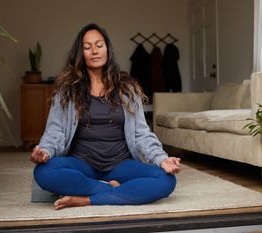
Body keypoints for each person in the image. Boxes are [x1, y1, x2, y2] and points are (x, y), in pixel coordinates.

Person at [30, 23, 181, 210]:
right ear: (80, 54)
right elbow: (56, 130)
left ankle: (87, 198)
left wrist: (161, 158)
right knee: (43, 172)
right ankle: (110, 189)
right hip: (81, 164)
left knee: (166, 180)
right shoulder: (67, 91)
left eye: (99, 45)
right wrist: (45, 150)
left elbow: (142, 133)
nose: (94, 51)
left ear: (107, 49)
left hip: (120, 165)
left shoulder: (127, 89)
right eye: (87, 47)